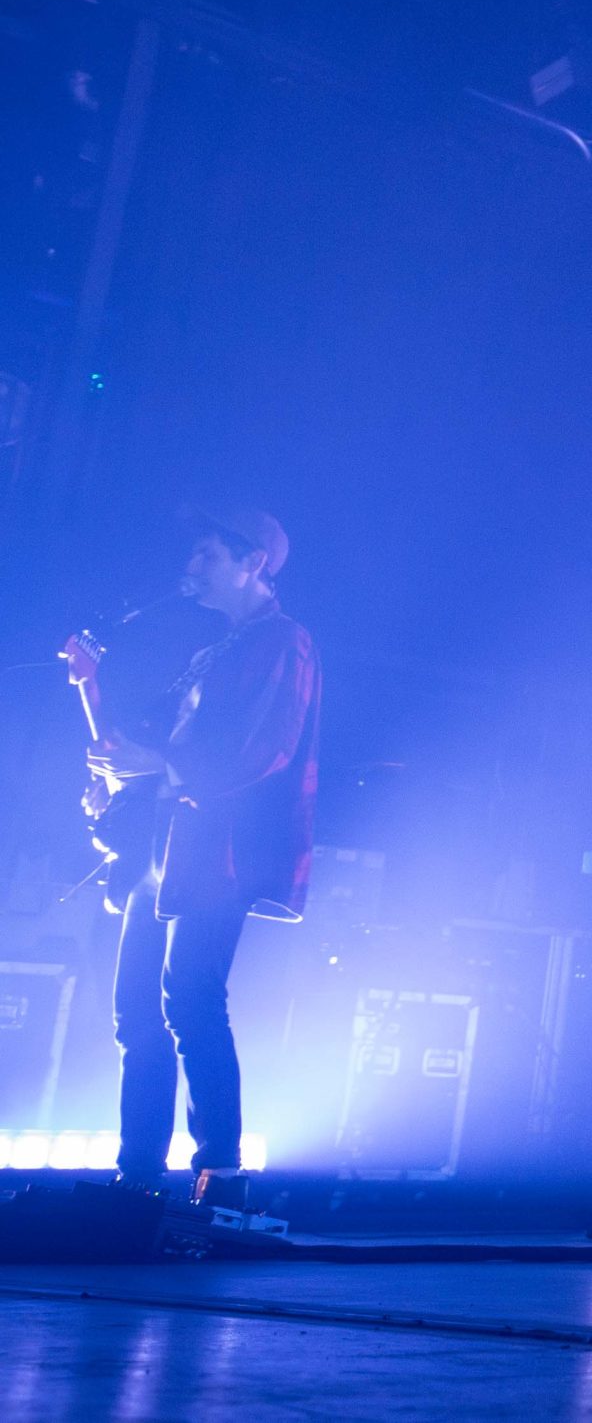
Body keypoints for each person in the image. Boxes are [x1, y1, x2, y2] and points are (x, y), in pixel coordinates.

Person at [89, 505, 320, 1208]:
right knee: (137, 1013)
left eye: (208, 555)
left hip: (220, 853)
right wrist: (115, 762)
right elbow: (155, 749)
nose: (191, 567)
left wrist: (154, 763)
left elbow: (264, 750)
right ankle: (137, 1176)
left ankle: (219, 1176)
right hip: (164, 848)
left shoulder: (284, 641)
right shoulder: (217, 650)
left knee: (189, 1000)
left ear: (254, 562)